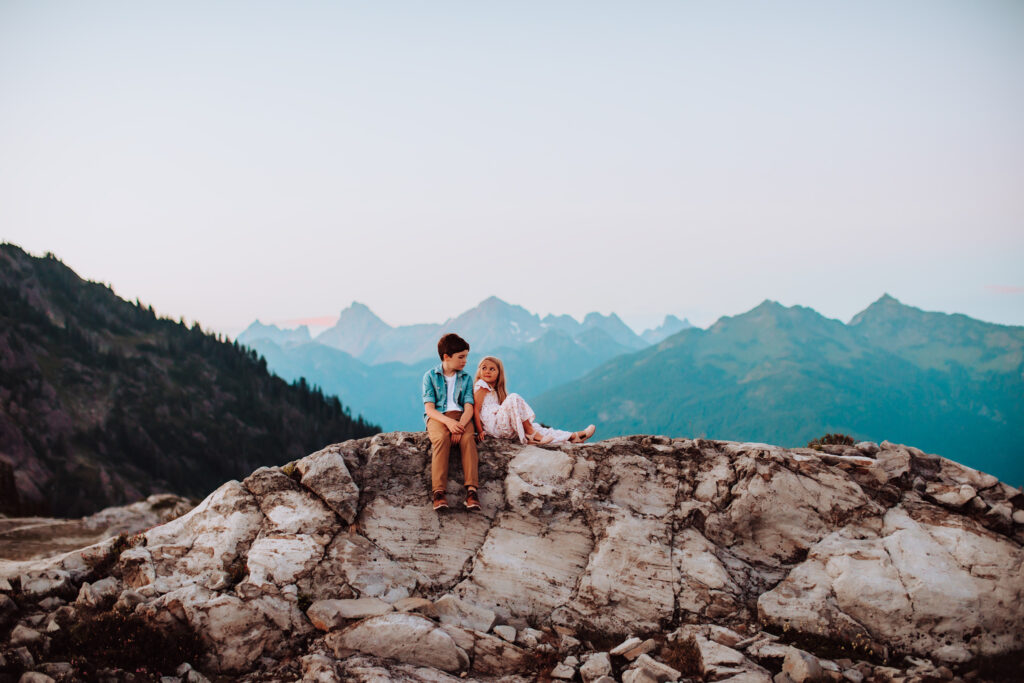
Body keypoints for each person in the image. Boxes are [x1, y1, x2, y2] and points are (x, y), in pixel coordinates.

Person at [473, 356, 596, 445]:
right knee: (513, 397)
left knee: (537, 427)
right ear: (479, 370)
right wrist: (480, 431)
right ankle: (532, 435)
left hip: (501, 426)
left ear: (499, 373)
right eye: (484, 368)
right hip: (494, 427)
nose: (487, 371)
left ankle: (574, 436)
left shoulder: (494, 390)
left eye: (492, 369)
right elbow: (476, 409)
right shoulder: (481, 385)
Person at [422, 333, 480, 511]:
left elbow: (469, 406)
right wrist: (448, 423)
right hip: (439, 417)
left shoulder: (466, 378)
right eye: (461, 357)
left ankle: (471, 491)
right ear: (446, 356)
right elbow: (429, 409)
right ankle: (439, 493)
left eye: (466, 357)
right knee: (440, 439)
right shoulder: (430, 376)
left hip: (461, 416)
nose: (465, 361)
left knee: (468, 440)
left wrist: (459, 426)